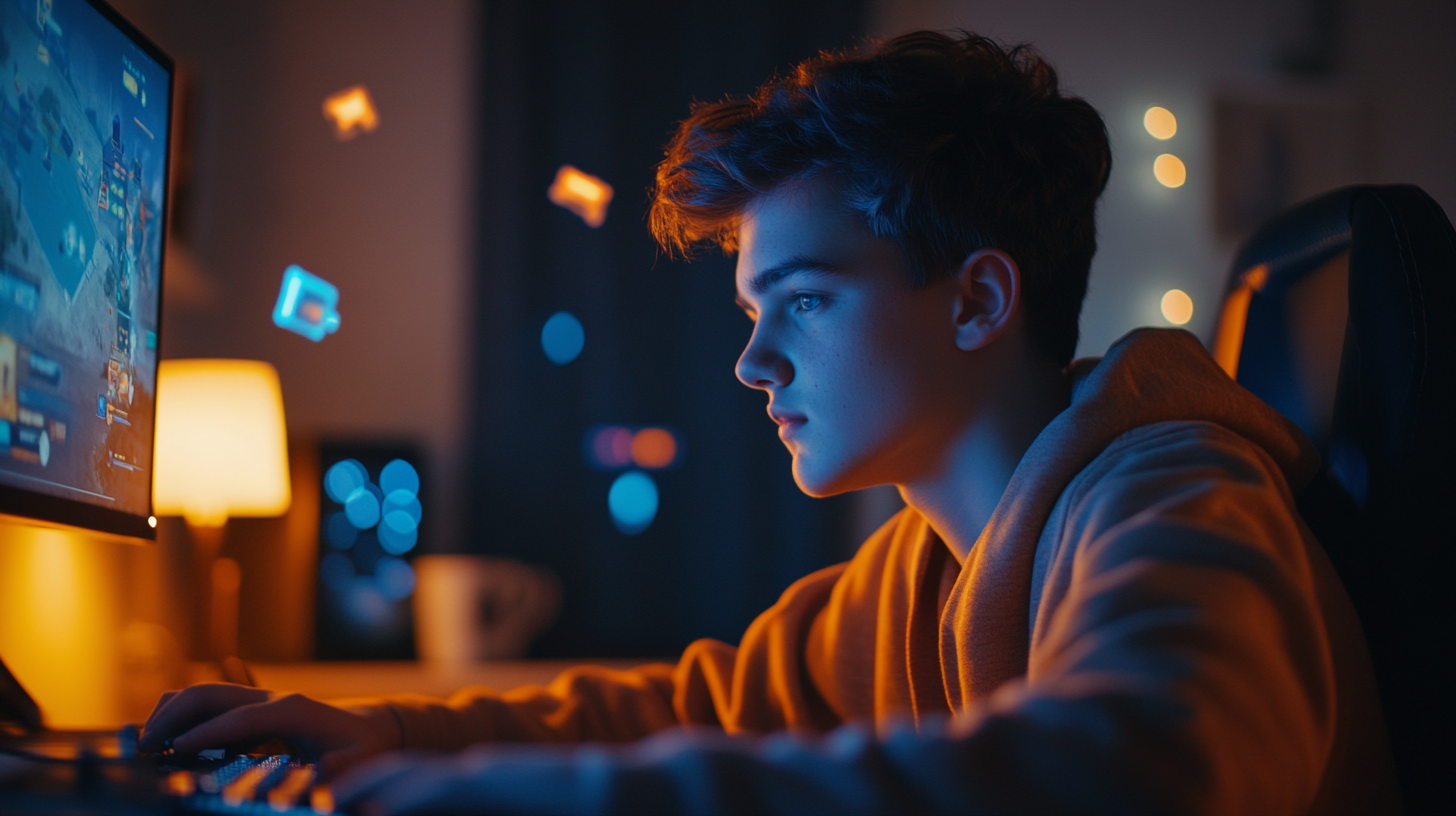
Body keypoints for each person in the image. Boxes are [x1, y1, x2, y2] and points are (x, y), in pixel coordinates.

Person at [140, 31, 1400, 814]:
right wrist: (387, 733)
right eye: (754, 307)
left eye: (801, 300)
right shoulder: (916, 569)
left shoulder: (1169, 493)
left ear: (975, 299)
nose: (752, 361)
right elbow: (692, 708)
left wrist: (511, 800)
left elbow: (1151, 771)